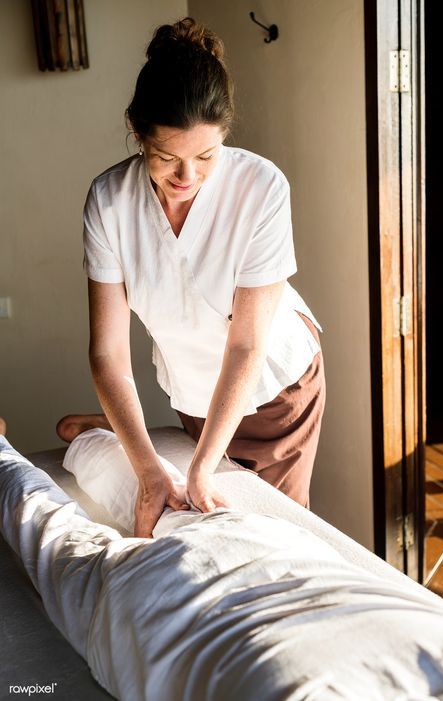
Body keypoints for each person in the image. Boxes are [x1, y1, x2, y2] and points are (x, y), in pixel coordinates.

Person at [57, 17, 325, 538]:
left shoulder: (261, 187)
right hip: (194, 390)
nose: (187, 177)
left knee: (274, 531)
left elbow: (247, 344)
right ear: (137, 132)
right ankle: (112, 430)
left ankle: (118, 429)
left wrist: (203, 468)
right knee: (190, 511)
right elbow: (107, 352)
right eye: (166, 158)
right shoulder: (110, 201)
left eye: (206, 156)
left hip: (275, 385)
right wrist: (146, 469)